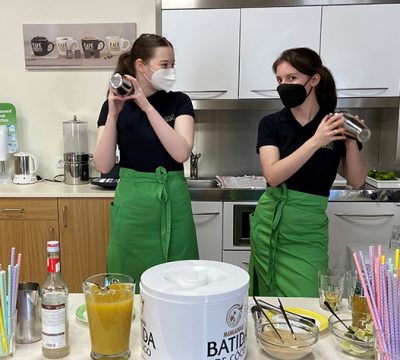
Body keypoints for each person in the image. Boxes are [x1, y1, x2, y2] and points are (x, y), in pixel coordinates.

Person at [249, 47, 368, 297]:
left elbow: (357, 181)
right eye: (280, 80)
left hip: (309, 229)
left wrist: (349, 141)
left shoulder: (334, 124)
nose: (284, 85)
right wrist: (316, 140)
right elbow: (273, 175)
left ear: (314, 80)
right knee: (268, 301)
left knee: (309, 302)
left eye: (291, 78)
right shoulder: (271, 124)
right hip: (270, 223)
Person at [93, 33, 199, 291]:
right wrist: (114, 114)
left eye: (173, 64)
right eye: (165, 64)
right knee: (127, 276)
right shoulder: (113, 106)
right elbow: (103, 164)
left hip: (172, 199)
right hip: (133, 204)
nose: (171, 70)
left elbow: (181, 153)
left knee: (180, 278)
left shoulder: (180, 101)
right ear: (141, 65)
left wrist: (146, 106)